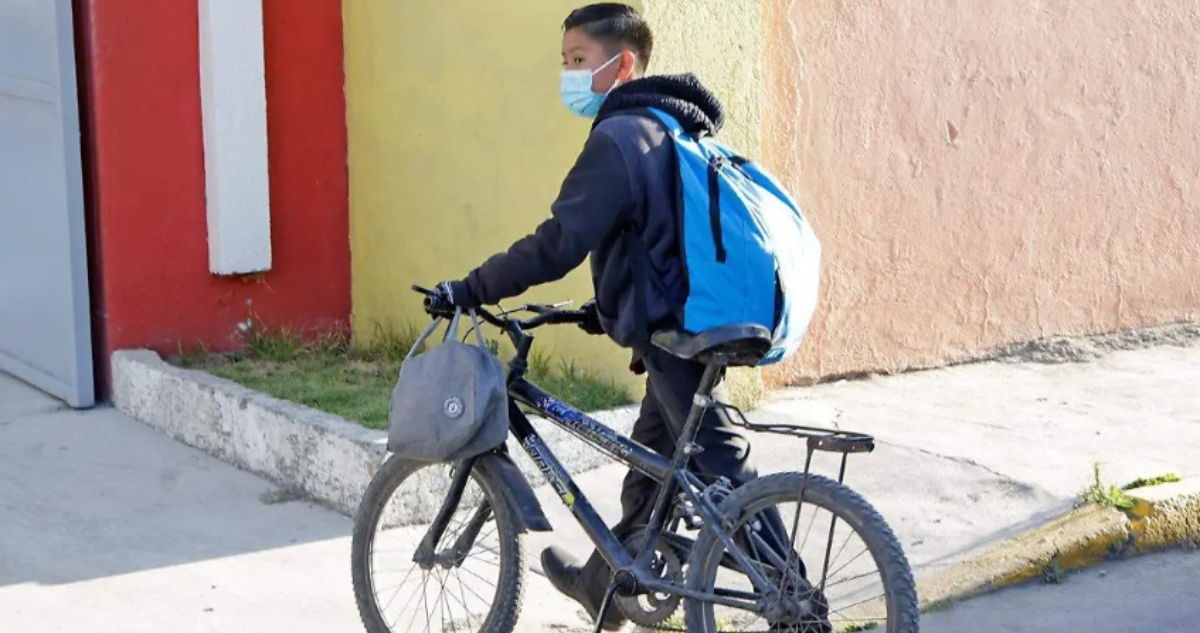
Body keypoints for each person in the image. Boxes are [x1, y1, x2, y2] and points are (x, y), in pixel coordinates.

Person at [425, 4, 775, 629]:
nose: (569, 74)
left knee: (720, 469)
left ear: (624, 64)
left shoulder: (619, 138)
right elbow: (657, 243)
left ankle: (791, 599)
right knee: (653, 465)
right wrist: (603, 307)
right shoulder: (670, 129)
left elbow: (560, 242)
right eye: (564, 61)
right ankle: (604, 582)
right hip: (691, 323)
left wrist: (471, 287)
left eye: (579, 61)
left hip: (680, 336)